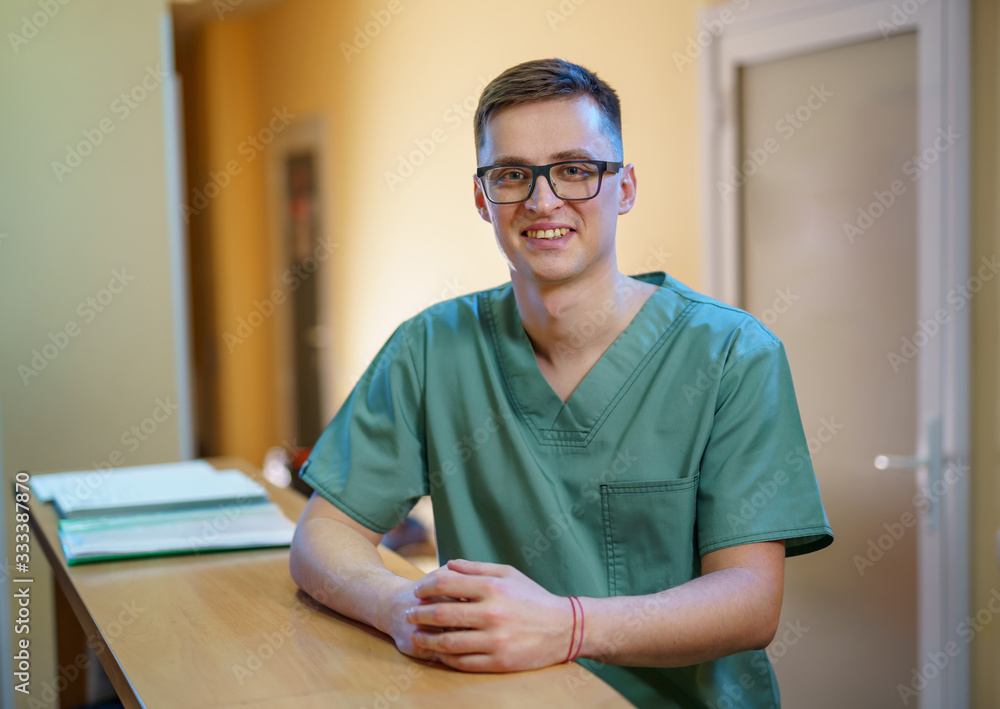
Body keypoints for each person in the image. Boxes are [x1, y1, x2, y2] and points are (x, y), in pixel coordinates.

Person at [289, 57, 833, 708]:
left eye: (576, 169)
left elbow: (749, 600)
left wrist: (570, 625)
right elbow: (323, 534)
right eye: (513, 175)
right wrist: (399, 606)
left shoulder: (732, 356)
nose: (543, 200)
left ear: (624, 187)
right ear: (482, 196)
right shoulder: (431, 348)